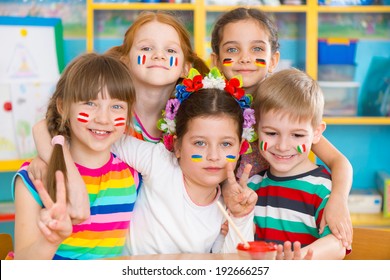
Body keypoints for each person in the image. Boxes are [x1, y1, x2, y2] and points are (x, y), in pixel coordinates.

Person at [28, 11, 210, 224]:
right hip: (106, 234)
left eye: (170, 50)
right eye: (146, 48)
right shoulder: (107, 118)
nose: (158, 55)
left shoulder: (188, 120)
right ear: (125, 60)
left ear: (186, 66)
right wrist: (55, 165)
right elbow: (45, 128)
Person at [210, 7, 353, 247]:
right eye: (233, 49)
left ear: (273, 60)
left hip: (278, 207)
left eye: (256, 48)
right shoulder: (214, 107)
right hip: (234, 214)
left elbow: (340, 162)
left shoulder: (283, 107)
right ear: (215, 60)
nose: (245, 58)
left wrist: (338, 200)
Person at [12, 53, 140, 259]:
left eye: (116, 106)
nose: (103, 118)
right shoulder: (34, 177)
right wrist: (50, 240)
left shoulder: (132, 176)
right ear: (63, 107)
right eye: (90, 103)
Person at [248, 68, 346, 259]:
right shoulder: (252, 186)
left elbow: (338, 243)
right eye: (271, 133)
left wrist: (297, 260)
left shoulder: (323, 188)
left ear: (317, 132)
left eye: (297, 135)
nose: (283, 146)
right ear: (255, 128)